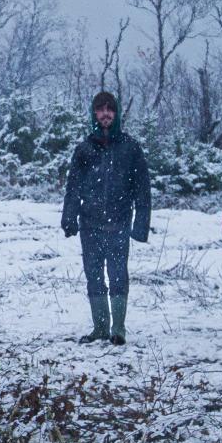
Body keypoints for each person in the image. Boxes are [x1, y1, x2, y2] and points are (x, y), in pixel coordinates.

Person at [60, 89, 152, 345]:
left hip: (119, 223)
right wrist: (69, 217)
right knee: (94, 275)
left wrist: (141, 224)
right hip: (89, 224)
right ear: (94, 114)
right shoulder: (84, 150)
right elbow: (73, 187)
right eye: (100, 109)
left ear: (117, 113)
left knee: (118, 274)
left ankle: (118, 328)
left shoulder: (130, 148)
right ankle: (100, 327)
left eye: (109, 109)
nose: (105, 114)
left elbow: (142, 189)